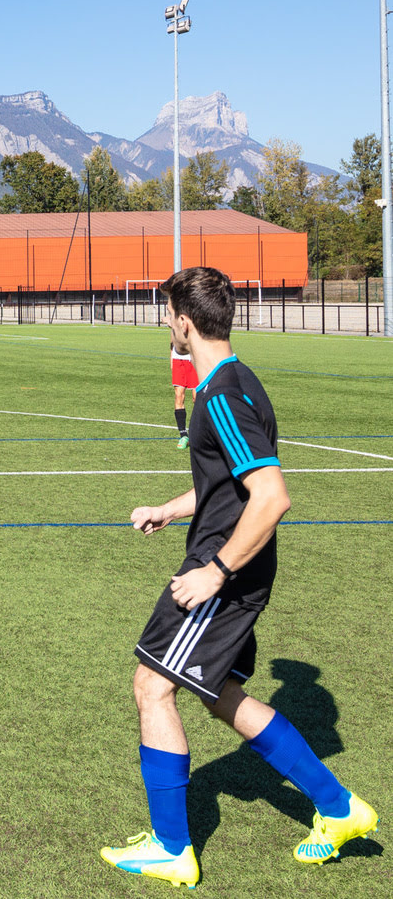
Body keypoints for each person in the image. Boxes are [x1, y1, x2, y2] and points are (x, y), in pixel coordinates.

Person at [100, 267, 377, 889]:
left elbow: (271, 496)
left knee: (151, 685)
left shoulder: (221, 394)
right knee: (214, 690)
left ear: (185, 322)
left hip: (224, 571)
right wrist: (170, 509)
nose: (165, 323)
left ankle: (172, 849)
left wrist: (215, 573)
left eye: (167, 313)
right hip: (236, 564)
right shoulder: (237, 381)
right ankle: (340, 809)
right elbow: (230, 486)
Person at [171, 342, 197, 449]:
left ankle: (197, 433)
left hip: (194, 359)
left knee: (197, 398)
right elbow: (173, 337)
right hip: (178, 360)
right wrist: (171, 357)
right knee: (179, 396)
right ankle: (183, 436)